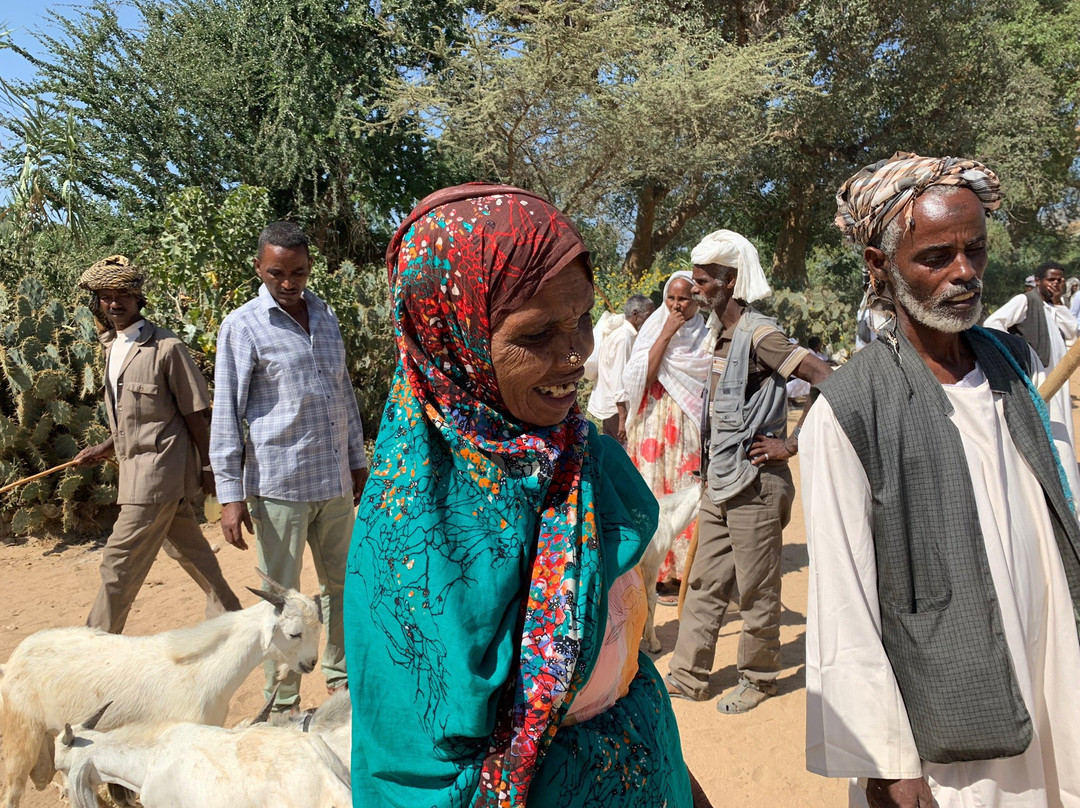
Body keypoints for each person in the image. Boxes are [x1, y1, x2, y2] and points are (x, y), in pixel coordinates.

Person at [343, 183, 698, 808]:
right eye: (536, 336)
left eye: (584, 319)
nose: (577, 354)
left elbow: (628, 667)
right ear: (453, 337)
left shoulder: (589, 460)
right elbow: (412, 766)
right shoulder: (417, 529)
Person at [804, 152, 1080, 807]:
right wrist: (888, 763)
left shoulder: (1017, 364)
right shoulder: (849, 410)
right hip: (948, 735)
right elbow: (843, 602)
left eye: (975, 251)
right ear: (880, 266)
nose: (964, 273)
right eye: (936, 257)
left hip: (1055, 675)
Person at [664, 230, 832, 713]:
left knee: (757, 588)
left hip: (757, 484)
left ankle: (758, 679)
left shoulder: (762, 335)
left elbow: (827, 378)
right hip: (721, 480)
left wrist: (793, 443)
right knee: (703, 581)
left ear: (729, 281)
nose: (695, 289)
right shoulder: (720, 332)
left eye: (702, 281)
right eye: (693, 281)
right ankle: (688, 675)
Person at [210, 222, 368, 713]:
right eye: (277, 272)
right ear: (259, 268)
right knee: (282, 603)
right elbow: (226, 413)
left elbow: (342, 391)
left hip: (334, 481)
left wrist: (357, 460)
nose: (288, 282)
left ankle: (340, 685)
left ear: (308, 268)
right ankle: (280, 704)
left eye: (298, 272)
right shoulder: (243, 325)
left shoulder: (325, 314)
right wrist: (231, 494)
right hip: (279, 484)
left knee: (343, 585)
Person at [73, 255, 241, 633]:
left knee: (118, 562)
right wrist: (103, 448)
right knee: (192, 552)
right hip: (134, 472)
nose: (115, 304)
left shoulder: (166, 348)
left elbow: (195, 416)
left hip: (158, 474)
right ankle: (233, 620)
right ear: (97, 302)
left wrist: (209, 468)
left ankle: (93, 642)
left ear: (138, 298)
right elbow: (135, 420)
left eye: (122, 295)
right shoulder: (112, 347)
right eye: (105, 296)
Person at [621, 272, 711, 599]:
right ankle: (652, 570)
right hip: (653, 420)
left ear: (696, 300)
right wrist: (666, 332)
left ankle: (682, 574)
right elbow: (641, 375)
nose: (675, 304)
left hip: (688, 421)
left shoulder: (706, 332)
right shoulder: (654, 325)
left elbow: (706, 379)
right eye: (670, 298)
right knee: (652, 487)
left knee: (685, 491)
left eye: (683, 299)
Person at [984, 259, 1078, 446]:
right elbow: (993, 323)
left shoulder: (1054, 306)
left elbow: (1072, 331)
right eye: (1051, 279)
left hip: (1058, 376)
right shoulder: (1025, 300)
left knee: (1061, 424)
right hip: (1038, 375)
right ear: (1037, 281)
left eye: (1060, 280)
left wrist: (1059, 302)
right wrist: (1018, 351)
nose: (1056, 284)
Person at [585, 294, 655, 440]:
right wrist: (623, 417)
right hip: (616, 409)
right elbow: (618, 378)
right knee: (620, 452)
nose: (651, 320)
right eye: (649, 316)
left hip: (615, 407)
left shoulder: (626, 335)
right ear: (635, 315)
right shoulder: (623, 338)